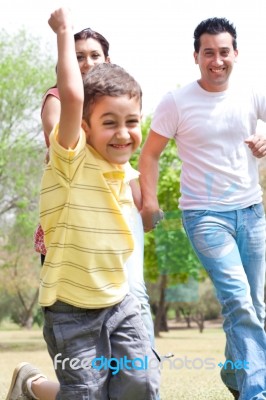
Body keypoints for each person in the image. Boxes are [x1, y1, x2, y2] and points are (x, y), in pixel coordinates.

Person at [6, 7, 160, 400]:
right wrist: (64, 30)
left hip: (119, 300)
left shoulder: (121, 168)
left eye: (132, 122)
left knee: (140, 383)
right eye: (110, 123)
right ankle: (31, 385)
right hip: (72, 310)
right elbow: (72, 95)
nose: (123, 133)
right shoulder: (71, 157)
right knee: (86, 393)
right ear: (84, 126)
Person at [138, 16, 266, 400]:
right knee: (239, 300)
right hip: (204, 215)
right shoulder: (176, 102)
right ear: (196, 56)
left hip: (251, 212)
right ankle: (255, 391)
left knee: (255, 305)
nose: (217, 60)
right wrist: (150, 202)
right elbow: (150, 155)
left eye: (223, 52)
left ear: (235, 54)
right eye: (208, 52)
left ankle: (234, 372)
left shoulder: (252, 94)